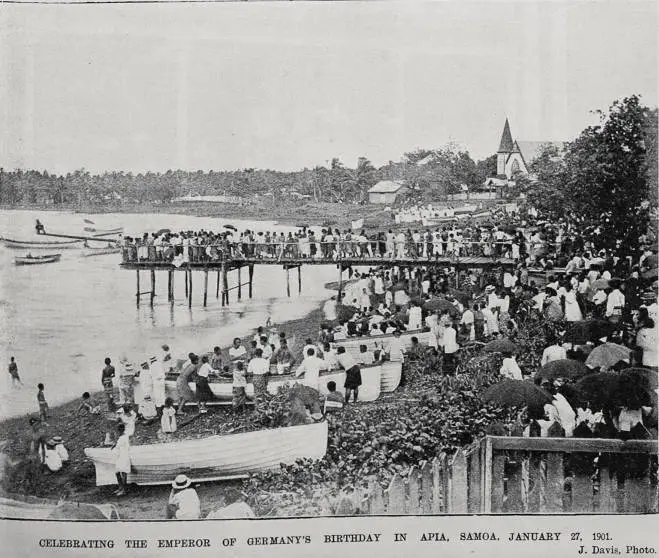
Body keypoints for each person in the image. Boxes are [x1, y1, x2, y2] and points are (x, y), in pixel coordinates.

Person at [112, 423, 131, 496]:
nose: (118, 431)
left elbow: (124, 446)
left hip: (124, 455)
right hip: (119, 456)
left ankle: (124, 490)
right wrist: (115, 444)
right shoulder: (121, 437)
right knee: (117, 472)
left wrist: (116, 445)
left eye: (119, 430)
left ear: (122, 429)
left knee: (123, 472)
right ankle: (120, 487)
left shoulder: (124, 437)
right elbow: (118, 444)